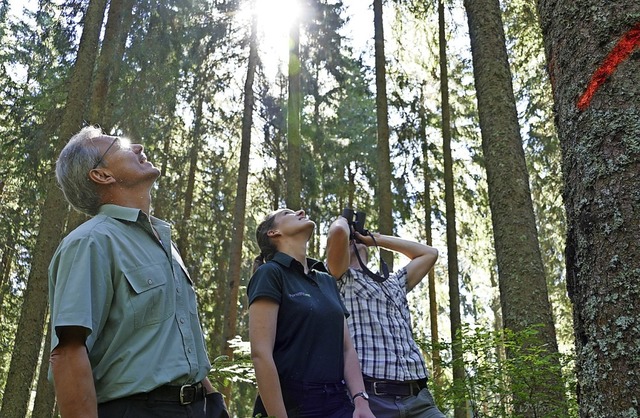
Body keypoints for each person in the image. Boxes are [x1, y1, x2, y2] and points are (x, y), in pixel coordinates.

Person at [48, 126, 228, 418]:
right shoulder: (90, 242)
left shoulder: (164, 242)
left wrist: (213, 401)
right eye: (122, 145)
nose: (138, 147)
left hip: (200, 407)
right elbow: (68, 353)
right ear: (102, 175)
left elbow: (175, 339)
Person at [247, 208, 376, 418]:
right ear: (273, 232)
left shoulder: (326, 280)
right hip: (293, 405)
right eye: (288, 213)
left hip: (338, 402)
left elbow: (346, 349)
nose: (301, 211)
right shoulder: (270, 273)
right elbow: (261, 354)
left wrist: (361, 401)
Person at [326, 215, 445, 418]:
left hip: (419, 399)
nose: (354, 242)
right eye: (349, 242)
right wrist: (342, 221)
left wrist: (376, 239)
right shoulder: (339, 279)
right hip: (372, 399)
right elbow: (338, 233)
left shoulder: (393, 282)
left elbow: (429, 253)